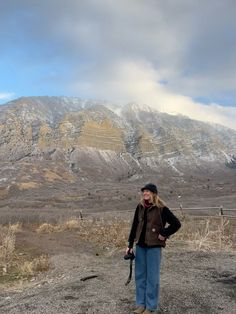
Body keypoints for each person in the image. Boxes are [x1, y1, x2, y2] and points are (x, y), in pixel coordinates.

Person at [126, 183, 181, 314]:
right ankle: (141, 305)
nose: (145, 193)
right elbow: (134, 226)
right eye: (143, 191)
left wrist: (164, 233)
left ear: (154, 193)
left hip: (154, 247)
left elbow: (176, 224)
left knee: (152, 278)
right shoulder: (140, 207)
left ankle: (150, 307)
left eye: (147, 191)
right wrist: (129, 245)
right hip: (140, 246)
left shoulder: (161, 208)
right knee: (140, 276)